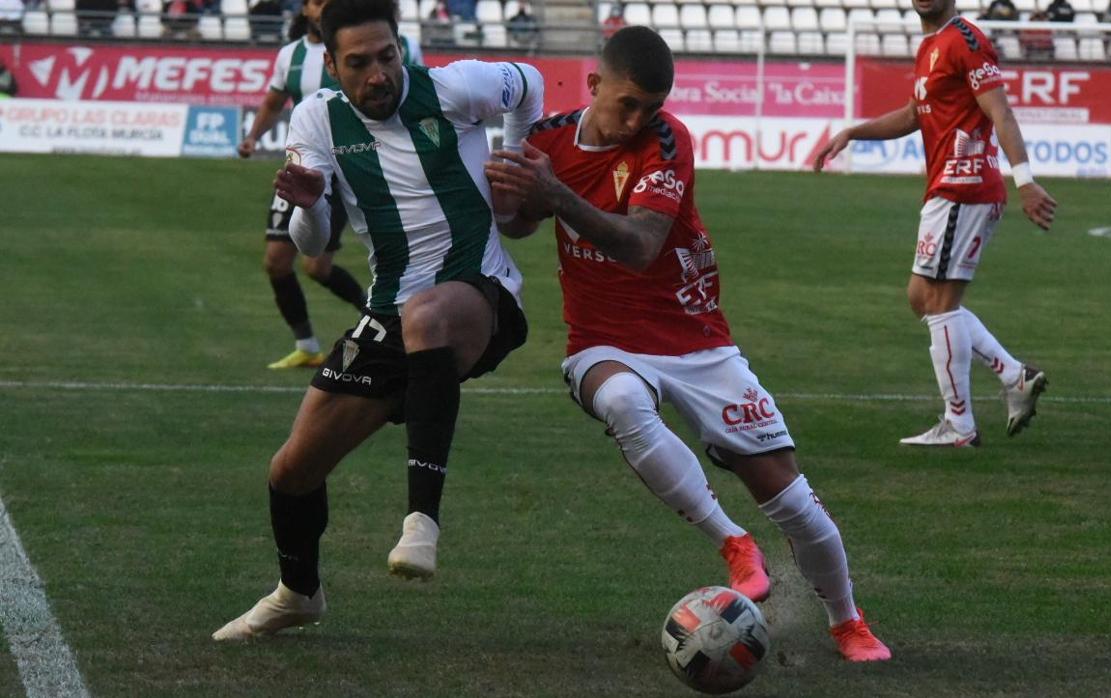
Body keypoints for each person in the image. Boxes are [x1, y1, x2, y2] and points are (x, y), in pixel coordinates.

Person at [484, 26, 891, 662]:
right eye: (628, 104)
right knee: (620, 400)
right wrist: (508, 195)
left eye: (651, 105)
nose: (640, 118)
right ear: (594, 86)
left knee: (792, 500)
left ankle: (847, 621)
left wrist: (554, 194)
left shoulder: (668, 141)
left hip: (696, 340)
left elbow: (641, 246)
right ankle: (733, 543)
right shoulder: (546, 141)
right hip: (603, 338)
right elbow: (521, 222)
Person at [212, 0, 544, 641]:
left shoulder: (454, 86)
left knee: (426, 314)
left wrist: (514, 160)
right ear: (331, 66)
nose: (378, 75)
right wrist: (307, 208)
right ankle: (298, 592)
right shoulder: (315, 119)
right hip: (388, 310)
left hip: (482, 293)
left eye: (387, 57)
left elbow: (527, 84)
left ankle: (422, 523)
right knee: (291, 472)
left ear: (401, 48)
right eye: (359, 63)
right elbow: (310, 246)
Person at [813, 0, 1056, 447]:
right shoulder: (930, 46)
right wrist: (853, 132)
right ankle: (1013, 375)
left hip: (964, 186)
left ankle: (959, 425)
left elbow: (1000, 111)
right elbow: (913, 115)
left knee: (939, 303)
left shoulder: (966, 40)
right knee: (921, 298)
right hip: (947, 189)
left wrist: (1025, 180)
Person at [239, 0, 423, 370]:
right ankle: (306, 345)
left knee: (317, 268)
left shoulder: (371, 47)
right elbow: (274, 101)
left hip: (347, 168)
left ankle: (381, 318)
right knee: (276, 262)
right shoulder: (290, 55)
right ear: (306, 10)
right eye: (317, 2)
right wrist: (253, 137)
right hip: (301, 170)